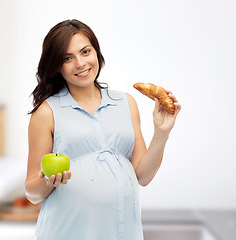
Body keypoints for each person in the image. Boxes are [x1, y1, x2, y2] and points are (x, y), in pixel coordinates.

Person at [25, 19, 181, 240]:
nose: (80, 63)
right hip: (67, 232)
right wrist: (48, 181)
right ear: (57, 66)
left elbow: (143, 176)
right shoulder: (47, 112)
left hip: (123, 232)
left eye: (85, 52)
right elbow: (31, 191)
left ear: (96, 52)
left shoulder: (125, 102)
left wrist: (162, 132)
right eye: (67, 58)